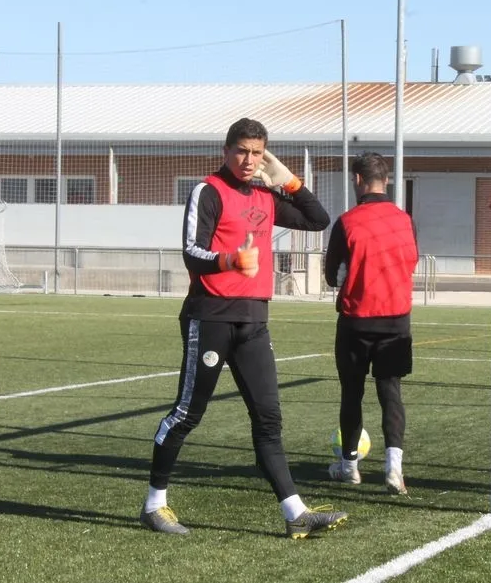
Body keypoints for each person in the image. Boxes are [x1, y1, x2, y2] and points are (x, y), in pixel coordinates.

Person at [141, 117, 348, 539]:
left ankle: (295, 513)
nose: (249, 160)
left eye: (257, 153)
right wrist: (230, 260)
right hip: (211, 316)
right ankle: (153, 505)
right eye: (242, 151)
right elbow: (191, 251)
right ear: (226, 151)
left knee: (269, 418)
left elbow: (318, 218)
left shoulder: (265, 195)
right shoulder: (208, 191)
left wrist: (287, 179)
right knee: (187, 414)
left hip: (254, 320)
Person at [323, 152, 419, 495]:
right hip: (396, 319)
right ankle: (394, 468)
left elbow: (331, 275)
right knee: (390, 391)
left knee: (352, 393)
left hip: (356, 320)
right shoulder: (405, 220)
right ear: (387, 180)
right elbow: (411, 262)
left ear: (358, 180)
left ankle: (350, 466)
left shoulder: (347, 221)